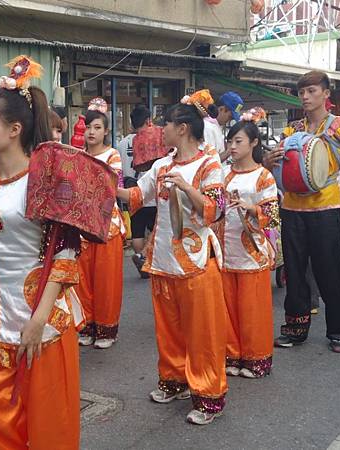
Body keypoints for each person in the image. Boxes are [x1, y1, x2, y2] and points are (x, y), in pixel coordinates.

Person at [0, 56, 81, 450]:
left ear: (14, 129)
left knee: (48, 424)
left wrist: (39, 319)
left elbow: (66, 254)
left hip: (46, 318)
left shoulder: (47, 180)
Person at [117, 99, 228, 425]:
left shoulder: (209, 165)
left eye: (166, 124)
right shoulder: (162, 165)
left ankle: (209, 395)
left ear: (182, 129)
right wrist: (106, 185)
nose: (160, 129)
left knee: (202, 333)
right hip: (164, 260)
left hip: (196, 262)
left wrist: (185, 187)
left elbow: (216, 210)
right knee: (169, 330)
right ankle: (174, 380)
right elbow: (137, 196)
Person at [263, 71, 340, 353]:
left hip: (326, 208)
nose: (305, 97)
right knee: (295, 274)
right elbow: (276, 161)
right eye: (302, 93)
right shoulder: (293, 128)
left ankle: (339, 331)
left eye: (311, 91)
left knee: (329, 271)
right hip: (292, 208)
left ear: (326, 93)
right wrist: (268, 160)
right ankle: (295, 329)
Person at [221, 108, 279, 379]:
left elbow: (273, 215)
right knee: (228, 308)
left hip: (251, 252)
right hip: (225, 251)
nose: (232, 147)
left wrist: (251, 208)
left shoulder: (263, 176)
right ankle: (232, 354)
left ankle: (256, 358)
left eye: (238, 142)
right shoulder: (224, 175)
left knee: (252, 309)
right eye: (230, 142)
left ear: (254, 143)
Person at [75, 97, 125, 349]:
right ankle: (87, 325)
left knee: (106, 281)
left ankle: (106, 330)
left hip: (107, 226)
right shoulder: (77, 156)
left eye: (96, 127)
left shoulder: (113, 155)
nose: (91, 132)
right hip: (82, 225)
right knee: (82, 279)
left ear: (106, 131)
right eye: (88, 127)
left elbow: (111, 187)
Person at [116, 105, 158, 278]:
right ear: (148, 121)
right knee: (155, 228)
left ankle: (140, 257)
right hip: (151, 193)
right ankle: (145, 259)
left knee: (137, 229)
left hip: (131, 190)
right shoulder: (153, 141)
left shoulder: (121, 143)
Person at [209, 91, 244, 162]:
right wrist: (229, 151)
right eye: (230, 117)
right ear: (221, 109)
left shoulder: (217, 127)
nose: (229, 120)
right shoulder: (208, 128)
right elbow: (209, 162)